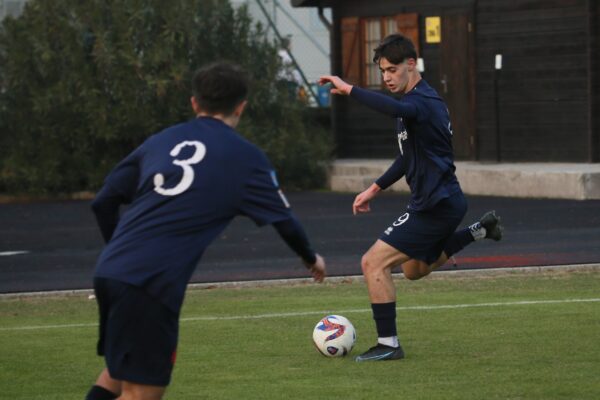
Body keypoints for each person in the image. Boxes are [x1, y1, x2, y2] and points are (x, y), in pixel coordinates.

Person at [86, 62, 326, 399]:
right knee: (142, 393)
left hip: (111, 271)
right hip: (149, 284)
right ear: (241, 106)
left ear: (194, 103)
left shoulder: (160, 141)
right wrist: (310, 257)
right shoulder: (246, 158)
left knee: (115, 375)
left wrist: (121, 255)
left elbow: (103, 202)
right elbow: (285, 221)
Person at [319, 34, 503, 362]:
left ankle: (388, 345)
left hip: (435, 205)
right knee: (415, 271)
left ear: (411, 65)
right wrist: (374, 188)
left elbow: (392, 109)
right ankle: (479, 231)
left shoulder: (422, 102)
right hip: (443, 203)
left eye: (392, 70)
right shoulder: (412, 104)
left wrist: (349, 89)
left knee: (372, 262)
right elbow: (408, 158)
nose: (387, 77)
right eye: (383, 72)